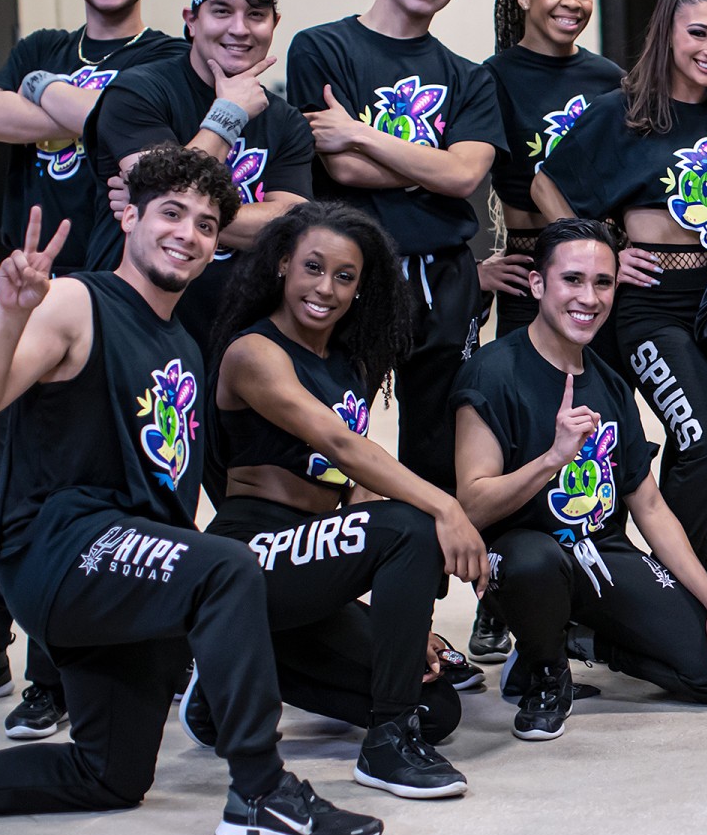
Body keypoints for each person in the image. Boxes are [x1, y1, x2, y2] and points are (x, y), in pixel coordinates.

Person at [0, 146, 383, 835]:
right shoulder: (77, 302)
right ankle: (261, 795)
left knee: (108, 775)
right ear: (130, 217)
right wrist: (11, 315)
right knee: (228, 568)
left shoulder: (182, 343)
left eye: (206, 224)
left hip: (128, 565)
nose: (188, 234)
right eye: (172, 213)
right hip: (61, 548)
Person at [0, 0, 185, 739]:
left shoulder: (168, 58)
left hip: (118, 301)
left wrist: (62, 111)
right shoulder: (42, 48)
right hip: (29, 294)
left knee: (104, 483)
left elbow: (163, 148)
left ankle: (66, 666)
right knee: (10, 474)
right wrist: (101, 117)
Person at [192, 202, 492, 798]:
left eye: (344, 276)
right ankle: (385, 747)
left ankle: (224, 684)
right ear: (283, 264)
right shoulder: (254, 351)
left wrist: (398, 628)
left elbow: (351, 489)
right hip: (251, 552)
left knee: (436, 709)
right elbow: (340, 445)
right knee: (411, 524)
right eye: (313, 267)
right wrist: (446, 506)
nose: (325, 288)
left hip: (307, 559)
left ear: (361, 287)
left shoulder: (346, 363)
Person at [534, 0, 707, 580]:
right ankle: (666, 579)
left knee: (695, 451)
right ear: (668, 32)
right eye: (698, 33)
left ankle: (681, 583)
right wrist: (601, 250)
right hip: (651, 307)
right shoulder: (622, 112)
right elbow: (545, 184)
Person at [452, 218, 707, 739]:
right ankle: (545, 675)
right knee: (534, 559)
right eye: (572, 280)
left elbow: (649, 505)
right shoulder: (492, 372)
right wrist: (552, 458)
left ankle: (578, 641)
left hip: (596, 553)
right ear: (538, 284)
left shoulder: (609, 383)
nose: (588, 298)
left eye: (603, 282)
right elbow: (471, 506)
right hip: (519, 562)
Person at [288, 0, 505, 493]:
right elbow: (342, 169)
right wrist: (433, 164)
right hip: (353, 268)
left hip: (444, 277)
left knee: (439, 440)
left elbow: (464, 177)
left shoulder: (469, 76)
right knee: (332, 432)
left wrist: (360, 132)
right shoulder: (322, 47)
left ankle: (425, 548)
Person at [83, 0, 313, 342]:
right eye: (221, 11)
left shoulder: (286, 121)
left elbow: (294, 228)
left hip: (240, 333)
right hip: (133, 324)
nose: (239, 29)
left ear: (274, 24)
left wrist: (161, 205)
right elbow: (169, 195)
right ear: (191, 20)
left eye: (256, 15)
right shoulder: (138, 91)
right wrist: (228, 113)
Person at [480, 0, 625, 342]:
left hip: (599, 271)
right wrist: (473, 268)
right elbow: (462, 181)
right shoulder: (491, 78)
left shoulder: (610, 78)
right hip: (529, 269)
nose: (572, 3)